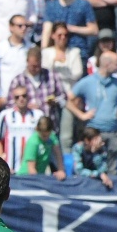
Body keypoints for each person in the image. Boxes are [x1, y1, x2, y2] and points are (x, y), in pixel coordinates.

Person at [69, 51, 117, 172]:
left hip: (114, 131)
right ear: (107, 64)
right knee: (94, 164)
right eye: (116, 63)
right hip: (95, 131)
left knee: (112, 167)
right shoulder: (88, 81)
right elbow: (69, 100)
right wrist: (81, 115)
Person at [42, 22, 83, 150]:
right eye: (59, 35)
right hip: (50, 96)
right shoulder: (46, 53)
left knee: (66, 136)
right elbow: (44, 71)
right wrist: (55, 61)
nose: (62, 38)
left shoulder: (74, 52)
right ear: (53, 36)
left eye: (65, 35)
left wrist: (61, 66)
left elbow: (77, 73)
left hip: (69, 98)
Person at [41, 0, 98, 64]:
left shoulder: (83, 4)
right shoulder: (51, 6)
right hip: (57, 52)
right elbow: (46, 30)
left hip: (79, 51)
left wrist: (72, 28)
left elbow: (94, 30)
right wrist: (43, 51)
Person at [0, 85, 43, 173]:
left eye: (24, 96)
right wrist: (1, 164)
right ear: (13, 99)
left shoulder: (38, 115)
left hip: (32, 170)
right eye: (17, 97)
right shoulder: (5, 115)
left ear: (28, 97)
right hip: (11, 169)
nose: (21, 99)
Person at [0, 15, 33, 98]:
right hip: (6, 97)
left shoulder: (31, 48)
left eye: (25, 26)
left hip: (25, 97)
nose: (23, 28)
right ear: (11, 27)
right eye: (20, 26)